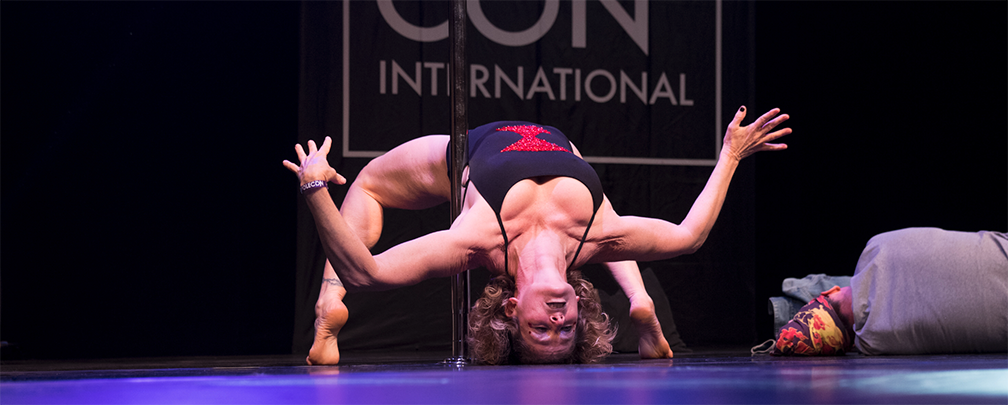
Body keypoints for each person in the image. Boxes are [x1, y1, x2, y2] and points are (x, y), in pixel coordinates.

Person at [284, 106, 791, 364]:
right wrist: (730, 156)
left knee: (369, 183)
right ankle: (640, 302)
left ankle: (327, 312)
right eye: (565, 328)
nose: (554, 321)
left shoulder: (475, 240)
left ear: (510, 310)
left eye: (540, 329)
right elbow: (689, 235)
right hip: (561, 154)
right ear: (579, 307)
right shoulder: (596, 237)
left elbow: (366, 272)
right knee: (606, 232)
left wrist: (314, 188)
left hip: (473, 152)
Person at [772, 227, 1008, 355]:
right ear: (829, 292)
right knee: (860, 282)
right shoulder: (878, 245)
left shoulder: (875, 344)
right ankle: (795, 310)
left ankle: (792, 321)